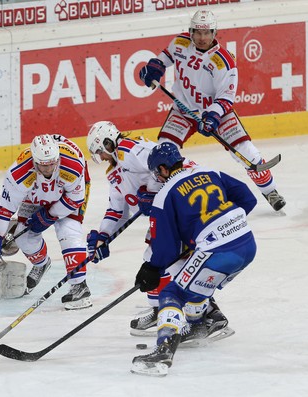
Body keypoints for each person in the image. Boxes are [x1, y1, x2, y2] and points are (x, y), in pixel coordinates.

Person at [86, 121, 227, 339]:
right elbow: (117, 209)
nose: (100, 157)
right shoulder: (115, 171)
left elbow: (176, 166)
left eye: (99, 151)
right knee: (159, 260)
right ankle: (164, 309)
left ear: (106, 142)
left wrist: (154, 194)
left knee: (162, 260)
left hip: (181, 209)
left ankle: (209, 314)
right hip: (164, 214)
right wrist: (103, 236)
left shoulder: (131, 150)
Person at [139, 9, 285, 212]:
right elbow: (164, 57)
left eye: (207, 33)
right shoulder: (180, 43)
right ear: (191, 32)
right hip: (183, 110)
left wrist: (213, 116)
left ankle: (270, 191)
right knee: (164, 151)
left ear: (214, 33)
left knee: (247, 153)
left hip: (216, 113)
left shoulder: (223, 61)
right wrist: (153, 68)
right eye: (197, 32)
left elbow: (226, 96)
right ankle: (158, 197)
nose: (202, 37)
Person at [131, 143, 257, 376]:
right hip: (247, 244)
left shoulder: (165, 194)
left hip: (217, 250)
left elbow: (166, 248)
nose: (157, 178)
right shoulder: (208, 172)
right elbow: (248, 199)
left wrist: (152, 268)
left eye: (157, 172)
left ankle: (164, 349)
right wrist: (220, 224)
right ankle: (198, 324)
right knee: (197, 283)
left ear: (163, 168)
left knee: (171, 292)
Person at [0, 134, 92, 310]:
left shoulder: (72, 165)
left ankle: (79, 286)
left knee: (68, 231)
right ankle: (41, 264)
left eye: (52, 163)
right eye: (43, 164)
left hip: (66, 194)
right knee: (22, 237)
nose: (48, 169)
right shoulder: (19, 174)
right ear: (34, 160)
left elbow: (75, 200)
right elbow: (4, 209)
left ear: (57, 158)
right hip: (35, 194)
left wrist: (49, 215)